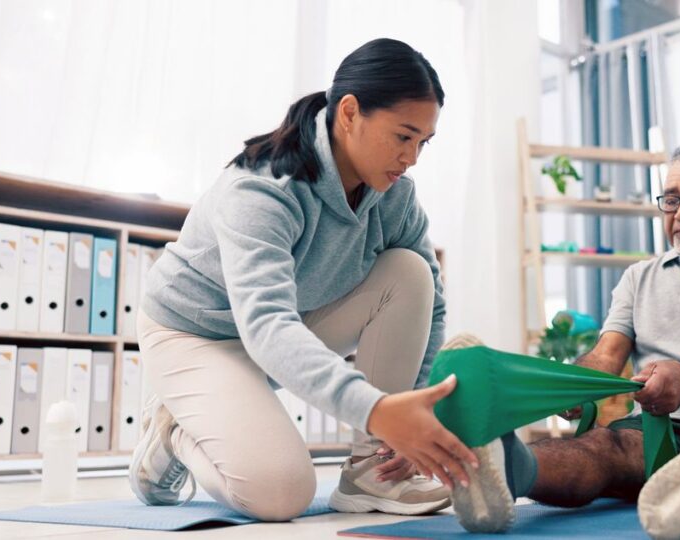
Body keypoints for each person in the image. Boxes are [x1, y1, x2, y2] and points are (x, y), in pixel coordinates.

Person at [128, 38, 479, 522]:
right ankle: (175, 428)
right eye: (403, 136)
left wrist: (410, 412)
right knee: (280, 495)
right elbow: (267, 325)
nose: (413, 157)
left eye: (423, 141)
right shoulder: (262, 188)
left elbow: (432, 304)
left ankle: (371, 472)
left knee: (412, 272)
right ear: (350, 112)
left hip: (281, 328)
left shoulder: (396, 197)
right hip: (195, 334)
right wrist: (378, 410)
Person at [449, 143, 680, 538]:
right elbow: (606, 355)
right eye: (672, 200)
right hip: (659, 426)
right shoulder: (638, 277)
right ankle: (501, 467)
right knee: (601, 448)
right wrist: (571, 388)